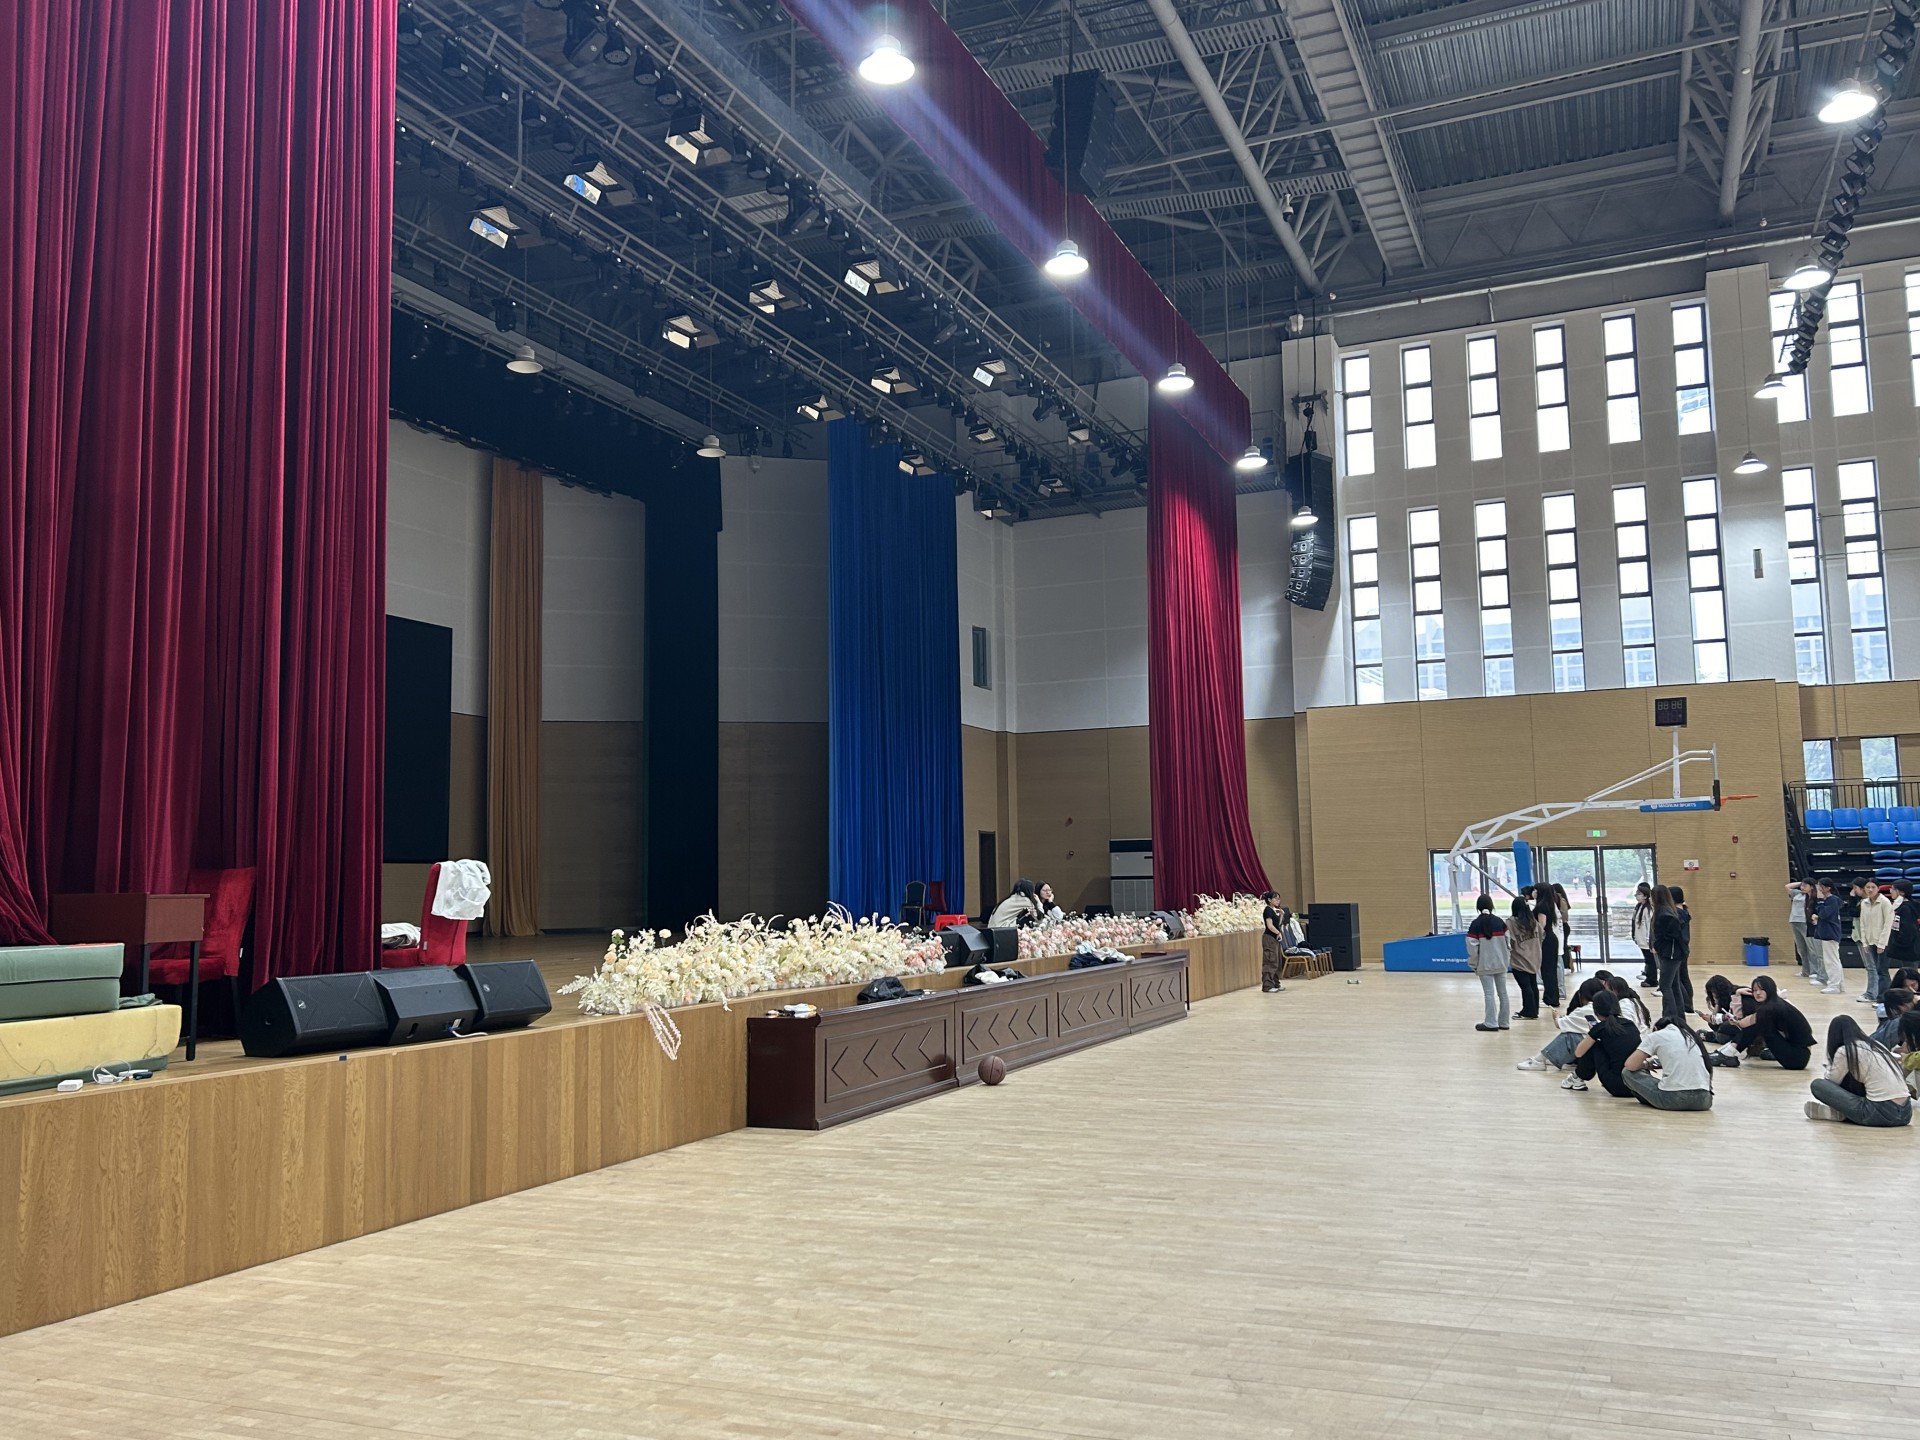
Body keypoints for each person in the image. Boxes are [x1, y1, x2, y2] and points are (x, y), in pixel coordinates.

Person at [1807, 1015, 1914, 1127]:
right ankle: (1844, 1115)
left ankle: (1843, 1114)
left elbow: (1832, 1082)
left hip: (1878, 1112)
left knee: (1818, 1085)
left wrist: (1830, 1067)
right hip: (1906, 1113)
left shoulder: (1846, 1050)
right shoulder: (1877, 1045)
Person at [1516, 977, 1607, 1076]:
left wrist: (1556, 1016)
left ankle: (1539, 1060)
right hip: (1604, 1049)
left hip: (1594, 1048)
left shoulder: (1584, 1010)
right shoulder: (1606, 1007)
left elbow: (1560, 1024)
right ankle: (1550, 1056)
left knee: (1569, 1035)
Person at [1622, 1016, 1714, 1111]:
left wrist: (1645, 1065)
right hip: (1704, 1100)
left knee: (1627, 1072)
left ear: (1656, 1028)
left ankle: (1650, 1100)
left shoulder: (1656, 1035)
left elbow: (1630, 1065)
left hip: (1673, 1099)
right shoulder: (1692, 1037)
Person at [1732, 973, 1816, 1070]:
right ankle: (1730, 1050)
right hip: (1799, 1054)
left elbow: (1744, 1023)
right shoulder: (1777, 1003)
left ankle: (1729, 1051)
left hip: (1796, 1058)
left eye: (1762, 989)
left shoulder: (1771, 1008)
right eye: (1754, 990)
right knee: (1760, 1022)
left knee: (1760, 1023)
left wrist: (1736, 1022)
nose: (1758, 993)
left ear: (1770, 990)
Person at [1570, 990, 1641, 1096]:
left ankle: (1578, 1077)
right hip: (1638, 1085)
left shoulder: (1600, 1028)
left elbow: (1578, 1053)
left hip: (1616, 1086)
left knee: (1594, 1046)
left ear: (1596, 1011)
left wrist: (1592, 1035)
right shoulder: (1630, 1024)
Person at [1466, 894, 1511, 1032]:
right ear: (1491, 906)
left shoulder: (1475, 924)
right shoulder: (1500, 922)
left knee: (1489, 994)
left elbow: (1472, 947)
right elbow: (1508, 943)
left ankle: (1491, 1022)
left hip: (1484, 965)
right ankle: (1504, 1022)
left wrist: (1474, 964)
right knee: (1503, 993)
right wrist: (1506, 959)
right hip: (1501, 964)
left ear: (1478, 907)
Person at [1649, 885, 1690, 1023]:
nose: (1650, 899)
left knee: (1665, 985)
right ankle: (1679, 1016)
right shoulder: (1666, 910)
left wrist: (1658, 944)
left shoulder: (1664, 913)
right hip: (1672, 953)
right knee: (1674, 985)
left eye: (1651, 896)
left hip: (1671, 954)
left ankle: (1670, 1016)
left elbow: (1673, 933)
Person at [1855, 877, 1893, 1005]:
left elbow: (1888, 925)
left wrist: (1882, 943)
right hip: (1870, 942)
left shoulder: (1885, 902)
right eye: (1868, 887)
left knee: (1882, 971)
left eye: (1873, 887)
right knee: (1877, 969)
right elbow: (1862, 924)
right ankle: (1882, 996)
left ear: (1878, 888)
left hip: (1883, 942)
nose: (1870, 890)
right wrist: (1865, 942)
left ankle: (1883, 999)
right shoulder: (1864, 903)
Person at [1509, 896, 1542, 1019]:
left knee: (1525, 986)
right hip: (1534, 958)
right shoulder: (1534, 922)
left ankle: (1528, 1011)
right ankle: (1534, 1010)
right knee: (1533, 985)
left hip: (1519, 959)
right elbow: (1541, 936)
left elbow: (1508, 940)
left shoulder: (1511, 923)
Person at [1810, 878, 1845, 994]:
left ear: (1828, 888)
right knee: (1832, 960)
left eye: (1821, 886)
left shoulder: (1832, 900)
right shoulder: (1828, 900)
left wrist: (1820, 901)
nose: (1818, 889)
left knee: (1832, 961)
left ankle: (1834, 985)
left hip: (1831, 933)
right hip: (1826, 933)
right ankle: (1839, 984)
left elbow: (1824, 914)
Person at [1533, 885, 1561, 1010]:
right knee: (1550, 970)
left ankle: (1550, 999)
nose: (1533, 892)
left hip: (1546, 940)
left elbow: (1541, 925)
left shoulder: (1541, 906)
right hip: (1551, 938)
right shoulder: (1550, 904)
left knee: (1547, 970)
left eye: (1535, 890)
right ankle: (1552, 997)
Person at [1885, 879, 1919, 978]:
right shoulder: (1901, 906)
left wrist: (1899, 943)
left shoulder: (1906, 909)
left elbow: (1909, 930)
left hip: (1909, 949)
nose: (1890, 891)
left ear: (1902, 892)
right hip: (1906, 949)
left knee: (1911, 976)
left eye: (1893, 889)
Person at [1259, 890, 1290, 994]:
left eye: (1279, 899)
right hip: (1269, 938)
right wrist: (1278, 933)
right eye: (1275, 899)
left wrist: (1281, 916)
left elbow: (1277, 925)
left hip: (1275, 938)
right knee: (1270, 961)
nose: (1278, 901)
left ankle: (1276, 983)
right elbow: (1270, 926)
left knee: (1277, 962)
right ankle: (1267, 986)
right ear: (1269, 900)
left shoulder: (1273, 910)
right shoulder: (1267, 910)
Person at [1785, 880, 1815, 979]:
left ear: (1811, 887)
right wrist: (1801, 882)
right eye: (1802, 886)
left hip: (1804, 922)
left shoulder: (1812, 896)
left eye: (1805, 886)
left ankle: (1814, 971)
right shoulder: (1797, 893)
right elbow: (1787, 886)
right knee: (1801, 948)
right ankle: (1805, 971)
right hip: (1794, 921)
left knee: (1810, 947)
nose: (1802, 887)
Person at [1631, 882, 1657, 989]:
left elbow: (1649, 926)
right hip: (1641, 940)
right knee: (1648, 960)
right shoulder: (1639, 907)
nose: (1636, 896)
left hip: (1647, 941)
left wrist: (1648, 940)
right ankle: (1649, 977)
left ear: (1645, 896)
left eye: (1639, 894)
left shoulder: (1648, 909)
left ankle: (1652, 980)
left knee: (1650, 961)